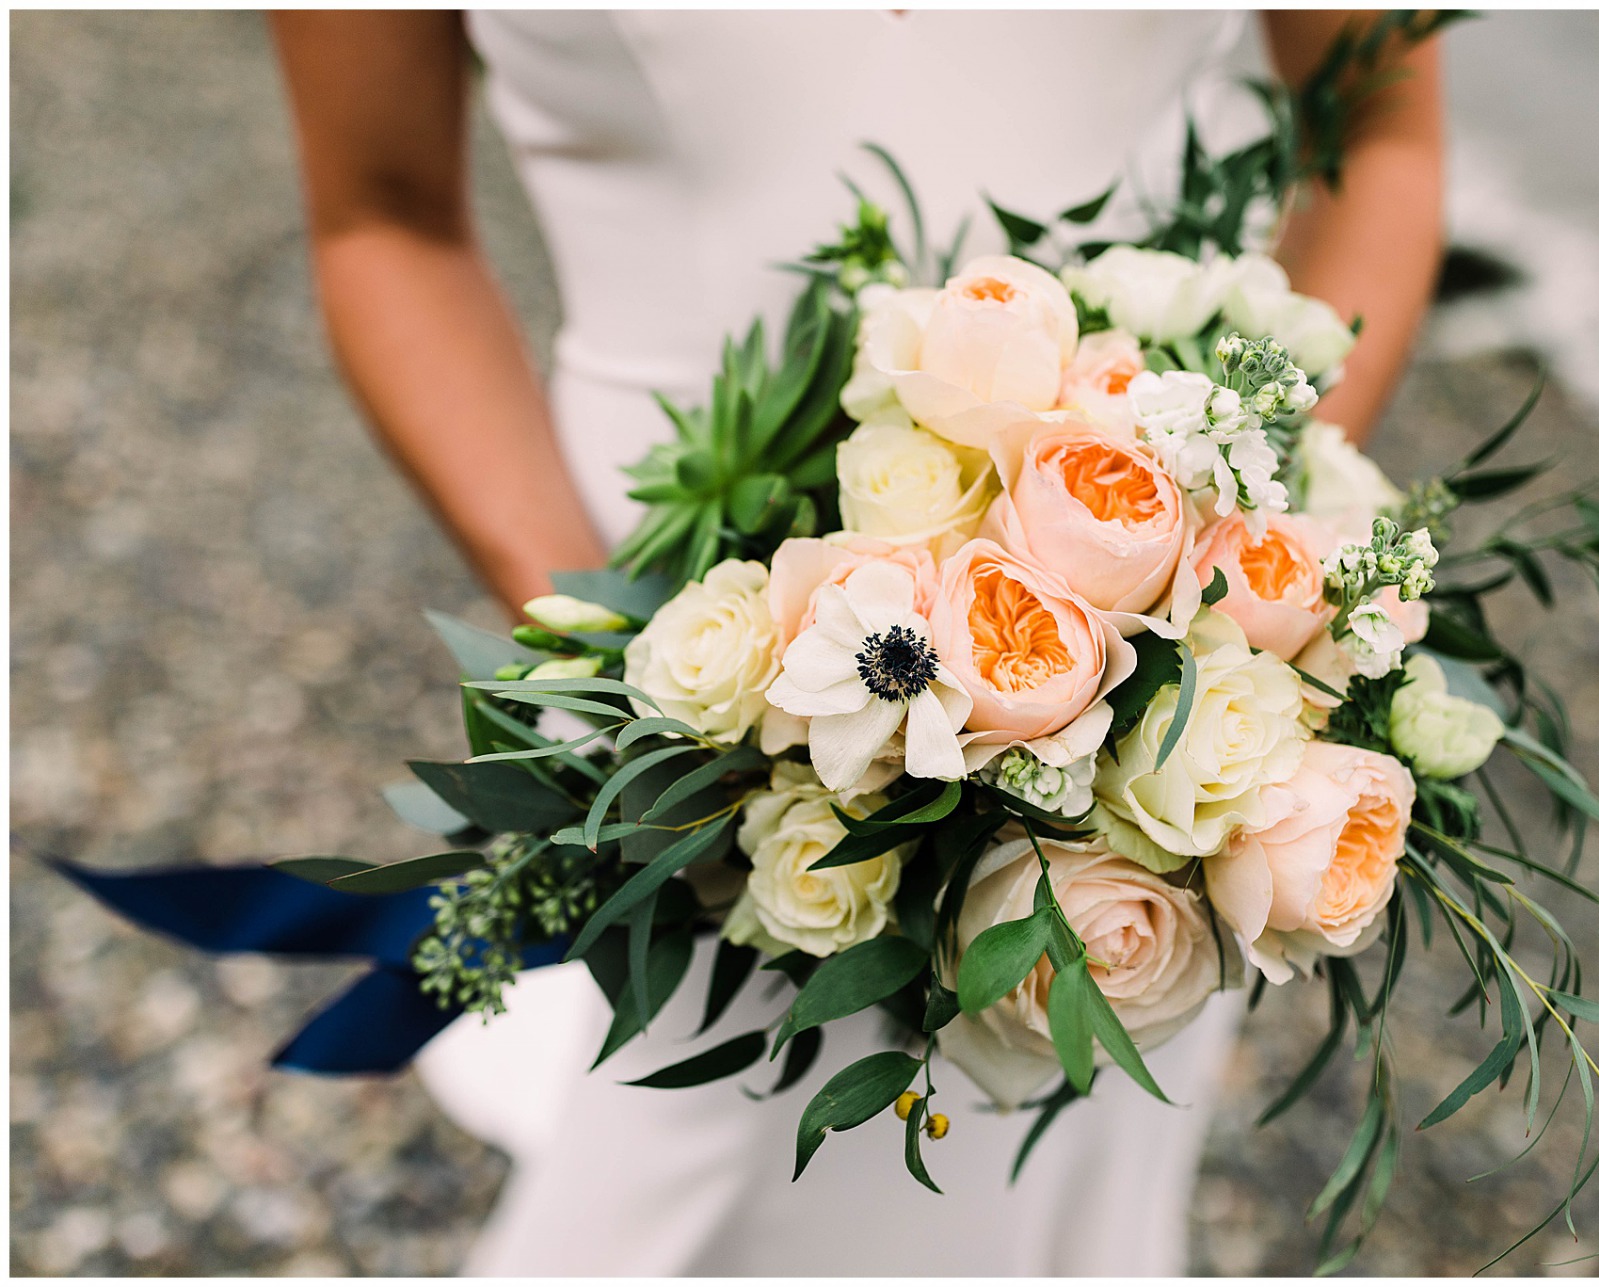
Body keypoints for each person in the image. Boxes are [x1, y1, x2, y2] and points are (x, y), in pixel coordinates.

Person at [271, 10, 1444, 1276]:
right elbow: (384, 216)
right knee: (685, 1180)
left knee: (1053, 1176)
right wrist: (608, 657)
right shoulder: (667, 676)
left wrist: (1236, 547)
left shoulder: (1182, 669)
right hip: (683, 646)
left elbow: (1380, 131)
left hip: (1157, 661)